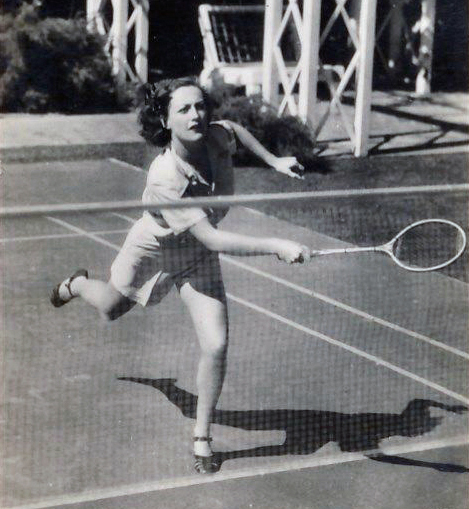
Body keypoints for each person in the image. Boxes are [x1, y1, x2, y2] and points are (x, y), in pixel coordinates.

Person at [51, 77, 311, 474]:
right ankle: (77, 284)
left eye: (200, 106)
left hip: (196, 257)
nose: (196, 115)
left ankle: (202, 436)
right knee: (109, 308)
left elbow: (236, 130)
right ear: (165, 120)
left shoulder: (217, 136)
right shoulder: (164, 177)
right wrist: (276, 244)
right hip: (154, 248)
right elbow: (213, 237)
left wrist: (274, 160)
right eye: (184, 110)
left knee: (217, 344)